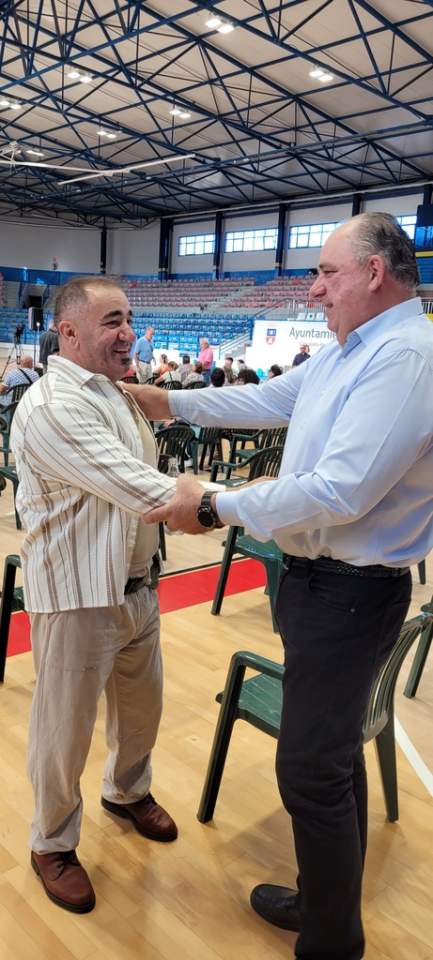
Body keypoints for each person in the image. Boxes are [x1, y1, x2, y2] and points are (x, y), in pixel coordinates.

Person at [123, 213, 433, 960]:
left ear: (374, 273)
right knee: (331, 758)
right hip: (322, 586)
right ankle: (326, 904)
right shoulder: (352, 351)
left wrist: (212, 504)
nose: (313, 288)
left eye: (326, 272)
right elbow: (269, 400)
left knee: (309, 771)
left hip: (350, 592)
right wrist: (166, 401)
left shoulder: (406, 357)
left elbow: (339, 491)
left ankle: (331, 941)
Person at [10, 277, 179, 916]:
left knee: (142, 711)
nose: (128, 332)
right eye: (112, 321)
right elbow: (138, 486)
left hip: (136, 586)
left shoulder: (113, 390)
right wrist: (235, 504)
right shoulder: (53, 404)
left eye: (129, 318)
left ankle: (126, 792)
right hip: (77, 594)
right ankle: (51, 841)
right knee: (64, 730)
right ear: (70, 332)